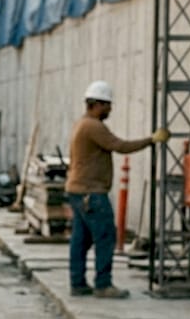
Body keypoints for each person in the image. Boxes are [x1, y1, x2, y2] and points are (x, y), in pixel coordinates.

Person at [65, 80, 166, 299]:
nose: (110, 110)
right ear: (97, 104)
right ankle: (102, 284)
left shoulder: (81, 124)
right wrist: (152, 140)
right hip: (91, 192)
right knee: (105, 236)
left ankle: (78, 283)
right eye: (107, 105)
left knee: (80, 239)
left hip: (78, 190)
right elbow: (120, 146)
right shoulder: (93, 126)